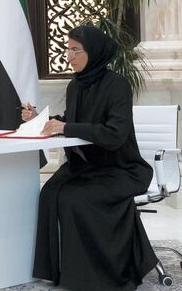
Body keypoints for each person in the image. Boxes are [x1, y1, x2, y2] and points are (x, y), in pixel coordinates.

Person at [22, 25, 157, 290]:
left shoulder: (118, 85)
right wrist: (44, 120)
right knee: (49, 193)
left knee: (75, 199)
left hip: (120, 169)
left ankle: (95, 275)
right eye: (67, 49)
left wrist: (66, 127)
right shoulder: (75, 86)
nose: (69, 56)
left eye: (75, 50)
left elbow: (114, 134)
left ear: (93, 52)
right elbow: (73, 121)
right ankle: (58, 271)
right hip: (87, 167)